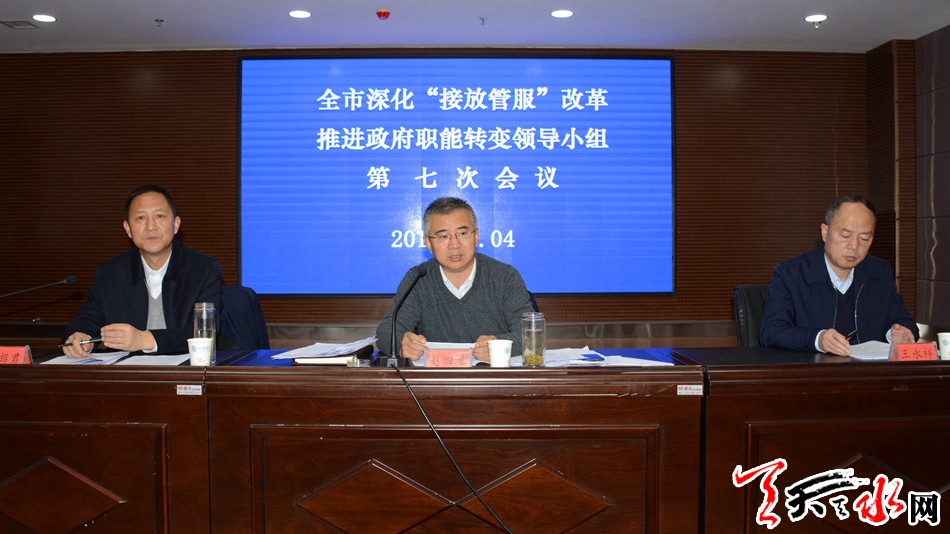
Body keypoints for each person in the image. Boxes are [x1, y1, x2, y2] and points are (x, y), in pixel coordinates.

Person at [62, 185, 222, 357]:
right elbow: (89, 318)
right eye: (140, 218)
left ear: (175, 224)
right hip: (128, 371)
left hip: (186, 368)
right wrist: (81, 335)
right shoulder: (110, 273)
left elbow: (203, 332)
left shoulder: (203, 269)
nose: (150, 226)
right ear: (128, 229)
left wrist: (144, 339)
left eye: (159, 216)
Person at [375, 197, 535, 363]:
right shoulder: (419, 278)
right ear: (428, 244)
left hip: (492, 377)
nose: (454, 245)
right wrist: (402, 344)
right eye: (443, 236)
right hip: (436, 378)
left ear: (476, 236)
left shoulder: (504, 277)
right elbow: (387, 331)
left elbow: (530, 333)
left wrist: (499, 346)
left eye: (462, 234)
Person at [759, 195, 918, 356]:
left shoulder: (879, 272)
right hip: (814, 369)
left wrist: (897, 334)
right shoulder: (790, 273)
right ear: (825, 232)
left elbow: (904, 322)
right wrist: (817, 339)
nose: (854, 246)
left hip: (869, 370)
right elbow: (771, 331)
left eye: (864, 238)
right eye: (845, 236)